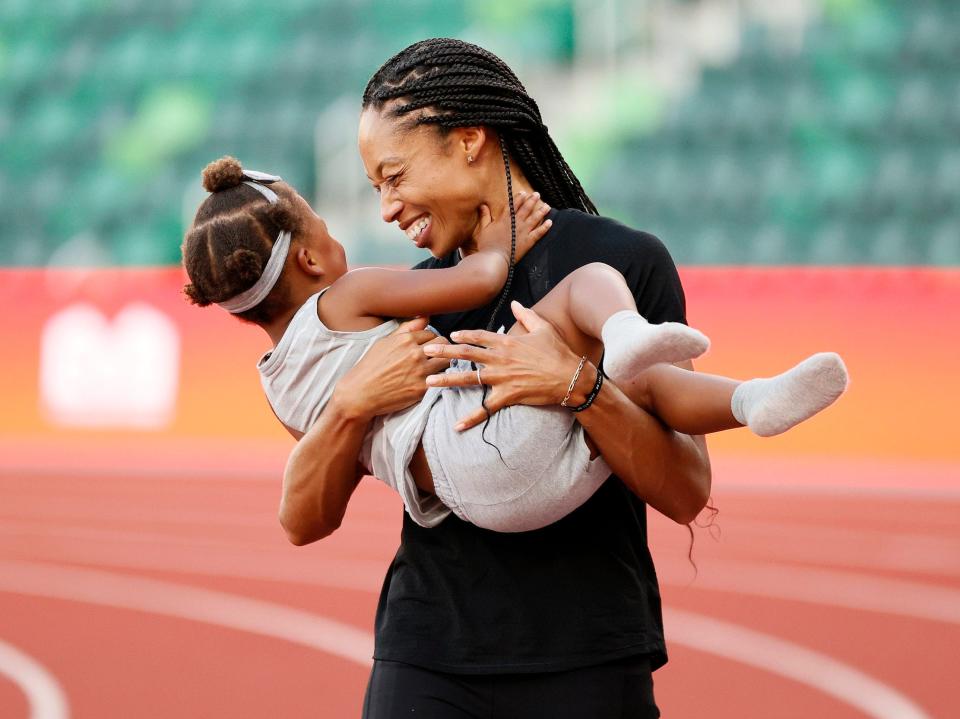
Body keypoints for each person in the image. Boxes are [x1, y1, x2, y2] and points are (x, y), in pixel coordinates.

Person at [275, 38, 831, 717]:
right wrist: (349, 407)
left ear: (469, 139)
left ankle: (750, 398)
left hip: (588, 657)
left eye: (394, 175)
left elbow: (687, 489)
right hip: (428, 656)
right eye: (375, 189)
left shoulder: (624, 262)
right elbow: (302, 520)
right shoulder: (409, 298)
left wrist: (578, 387)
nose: (387, 208)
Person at [181, 156, 846, 534]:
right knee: (588, 292)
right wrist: (506, 236)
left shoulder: (277, 384)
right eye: (324, 223)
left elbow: (321, 478)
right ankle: (632, 333)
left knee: (620, 383)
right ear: (309, 260)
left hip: (478, 501)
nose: (375, 212)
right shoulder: (345, 297)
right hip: (482, 434)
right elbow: (482, 276)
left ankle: (753, 399)